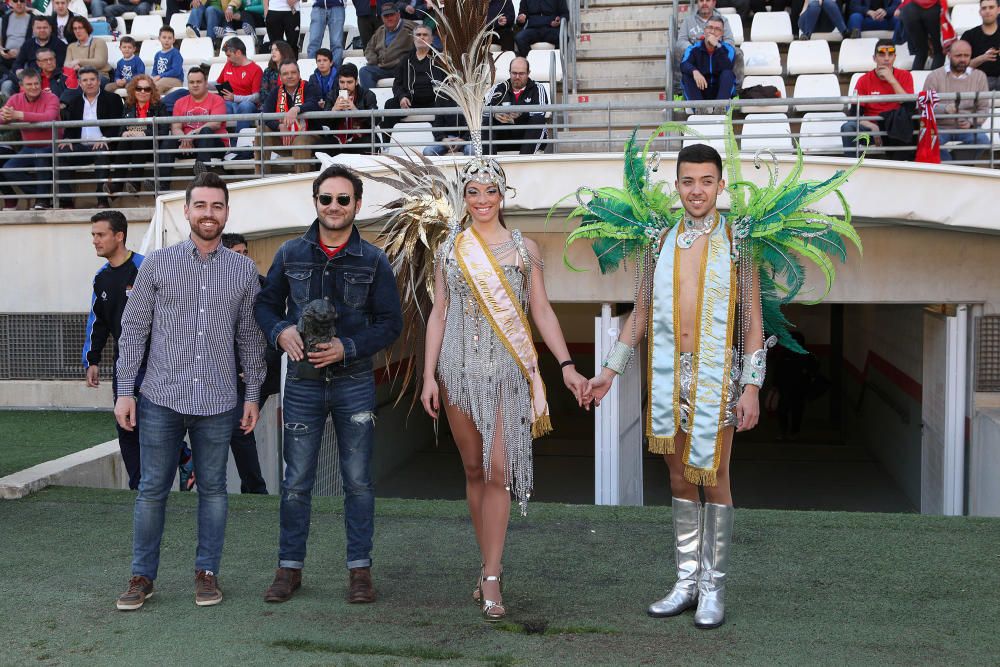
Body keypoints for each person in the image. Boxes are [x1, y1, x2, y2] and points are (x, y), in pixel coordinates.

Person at [586, 146, 763, 630]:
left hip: (718, 378)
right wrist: (610, 371)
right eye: (688, 181)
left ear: (721, 185)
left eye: (707, 181)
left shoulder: (739, 243)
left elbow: (752, 322)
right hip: (667, 376)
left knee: (714, 477)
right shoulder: (657, 241)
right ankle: (686, 581)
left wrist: (751, 386)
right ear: (678, 186)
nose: (697, 190)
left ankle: (713, 588)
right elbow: (640, 316)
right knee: (680, 479)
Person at [417, 154, 589, 620]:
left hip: (508, 374)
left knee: (498, 469)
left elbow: (542, 311)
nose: (481, 200)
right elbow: (440, 313)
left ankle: (492, 575)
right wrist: (428, 374)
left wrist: (567, 364)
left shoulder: (524, 247)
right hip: (457, 370)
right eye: (472, 192)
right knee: (474, 470)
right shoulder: (450, 250)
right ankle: (485, 563)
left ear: (502, 194)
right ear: (463, 197)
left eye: (489, 191)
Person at [113, 171, 266, 611]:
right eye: (200, 205)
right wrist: (126, 390)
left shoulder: (242, 270)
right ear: (186, 211)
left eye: (217, 206)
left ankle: (207, 571)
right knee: (152, 490)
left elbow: (249, 339)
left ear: (226, 213)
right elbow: (133, 330)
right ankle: (142, 576)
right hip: (160, 396)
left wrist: (252, 393)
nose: (208, 214)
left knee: (214, 490)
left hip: (218, 401)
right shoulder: (158, 263)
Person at [254, 164, 403, 605]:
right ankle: (289, 569)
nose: (334, 207)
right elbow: (265, 306)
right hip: (301, 384)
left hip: (354, 382)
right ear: (315, 202)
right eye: (326, 199)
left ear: (357, 205)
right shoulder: (289, 254)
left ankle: (360, 571)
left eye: (343, 199)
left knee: (357, 481)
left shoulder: (374, 260)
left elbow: (391, 324)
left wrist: (349, 347)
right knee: (296, 480)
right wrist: (281, 331)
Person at [83, 210, 146, 490]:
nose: (95, 241)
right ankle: (138, 486)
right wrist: (92, 359)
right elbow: (97, 321)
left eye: (100, 234)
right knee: (126, 426)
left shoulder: (146, 268)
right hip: (124, 366)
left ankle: (184, 458)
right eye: (93, 235)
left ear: (119, 236)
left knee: (150, 422)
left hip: (158, 362)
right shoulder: (101, 278)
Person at [220, 231, 278, 495]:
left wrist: (257, 365)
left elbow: (277, 330)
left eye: (245, 253)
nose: (244, 259)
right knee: (234, 428)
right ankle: (252, 489)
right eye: (236, 254)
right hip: (227, 373)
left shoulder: (265, 288)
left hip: (258, 373)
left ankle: (255, 489)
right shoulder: (213, 288)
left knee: (238, 426)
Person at [57, 66, 123, 207]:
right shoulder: (74, 102)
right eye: (85, 80)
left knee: (101, 153)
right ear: (80, 84)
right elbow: (71, 127)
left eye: (92, 79)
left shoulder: (113, 99)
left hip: (104, 145)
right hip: (80, 146)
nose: (89, 83)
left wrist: (105, 138)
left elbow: (117, 125)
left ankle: (102, 200)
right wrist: (68, 139)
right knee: (61, 153)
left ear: (99, 81)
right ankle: (66, 201)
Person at [841, 39, 914, 156]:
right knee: (848, 127)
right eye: (881, 54)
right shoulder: (864, 80)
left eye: (890, 54)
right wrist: (873, 127)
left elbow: (909, 105)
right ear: (874, 58)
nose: (886, 58)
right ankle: (852, 169)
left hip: (896, 126)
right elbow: (854, 114)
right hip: (871, 129)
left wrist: (892, 80)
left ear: (895, 57)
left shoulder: (905, 75)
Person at [923, 39, 991, 160]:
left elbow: (984, 108)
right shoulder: (934, 76)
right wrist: (945, 109)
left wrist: (970, 121)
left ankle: (956, 165)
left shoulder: (980, 76)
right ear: (949, 56)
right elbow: (925, 107)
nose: (963, 59)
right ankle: (953, 167)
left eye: (967, 56)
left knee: (983, 140)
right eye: (958, 55)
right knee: (929, 140)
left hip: (969, 128)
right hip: (940, 127)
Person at [0, 69, 59, 209]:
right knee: (9, 169)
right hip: (29, 146)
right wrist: (7, 116)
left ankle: (43, 200)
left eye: (36, 83)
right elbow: (3, 117)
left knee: (41, 159)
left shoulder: (52, 98)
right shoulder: (15, 98)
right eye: (29, 84)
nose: (34, 87)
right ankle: (42, 195)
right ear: (21, 86)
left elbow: (48, 117)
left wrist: (19, 115)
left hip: (51, 144)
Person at [162, 67, 228, 178]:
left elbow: (215, 124)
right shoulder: (179, 102)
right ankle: (161, 183)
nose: (195, 85)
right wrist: (184, 138)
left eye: (199, 82)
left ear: (206, 83)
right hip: (188, 146)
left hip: (213, 146)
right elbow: (176, 128)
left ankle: (201, 173)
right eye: (192, 82)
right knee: (169, 141)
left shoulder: (217, 100)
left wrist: (191, 135)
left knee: (206, 131)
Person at [381, 24, 443, 136]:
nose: (421, 37)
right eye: (418, 35)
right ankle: (387, 144)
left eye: (425, 35)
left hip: (435, 100)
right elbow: (397, 84)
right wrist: (402, 97)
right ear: (413, 38)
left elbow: (448, 83)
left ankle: (444, 139)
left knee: (448, 105)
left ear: (431, 38)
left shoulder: (440, 59)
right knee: (390, 104)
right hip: (411, 101)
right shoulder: (406, 59)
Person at [261, 59, 321, 172]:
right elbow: (266, 115)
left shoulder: (309, 87)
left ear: (299, 74)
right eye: (285, 73)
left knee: (300, 141)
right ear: (280, 77)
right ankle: (260, 177)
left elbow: (313, 104)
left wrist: (296, 109)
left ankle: (300, 181)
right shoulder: (275, 92)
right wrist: (280, 126)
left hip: (308, 135)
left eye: (293, 72)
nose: (290, 76)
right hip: (283, 138)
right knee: (261, 130)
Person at [481, 56, 549, 154]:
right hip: (503, 136)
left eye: (521, 73)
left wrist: (521, 114)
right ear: (509, 72)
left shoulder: (537, 88)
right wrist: (495, 114)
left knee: (538, 120)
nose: (517, 77)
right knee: (486, 119)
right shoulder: (499, 88)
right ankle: (490, 163)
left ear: (528, 73)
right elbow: (485, 110)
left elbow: (541, 112)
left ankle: (523, 159)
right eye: (514, 73)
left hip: (526, 135)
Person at [114, 74, 167, 194]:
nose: (142, 92)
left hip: (151, 148)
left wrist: (143, 134)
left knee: (139, 141)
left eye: (147, 89)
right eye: (139, 88)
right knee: (124, 143)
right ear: (134, 90)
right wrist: (125, 133)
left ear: (151, 91)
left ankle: (135, 183)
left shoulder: (159, 106)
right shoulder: (128, 106)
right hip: (129, 146)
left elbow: (163, 131)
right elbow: (121, 129)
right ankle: (117, 185)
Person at [679, 17, 737, 106]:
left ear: (721, 34)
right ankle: (699, 108)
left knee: (728, 73)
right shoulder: (694, 48)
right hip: (699, 92)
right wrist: (694, 71)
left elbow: (728, 66)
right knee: (687, 75)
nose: (713, 32)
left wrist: (717, 46)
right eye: (710, 27)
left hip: (720, 92)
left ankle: (720, 108)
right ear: (705, 30)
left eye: (717, 29)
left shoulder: (727, 49)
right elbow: (684, 64)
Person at [5, 16, 66, 97]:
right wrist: (18, 70)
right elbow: (18, 63)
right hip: (28, 75)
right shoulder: (28, 44)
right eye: (38, 28)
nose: (42, 30)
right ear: (33, 29)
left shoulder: (59, 45)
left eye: (45, 27)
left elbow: (58, 66)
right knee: (7, 84)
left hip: (49, 78)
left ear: (50, 28)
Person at [326, 61, 378, 153]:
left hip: (360, 137)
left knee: (369, 143)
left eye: (349, 82)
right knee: (322, 147)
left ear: (356, 81)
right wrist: (333, 111)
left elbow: (375, 121)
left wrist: (355, 111)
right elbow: (324, 122)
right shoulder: (332, 95)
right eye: (342, 82)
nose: (345, 86)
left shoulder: (368, 95)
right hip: (337, 139)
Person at [359, 4, 412, 91]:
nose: (389, 18)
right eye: (386, 16)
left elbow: (424, 42)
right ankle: (370, 101)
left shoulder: (410, 28)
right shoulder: (380, 30)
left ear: (398, 14)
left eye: (392, 15)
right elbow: (369, 48)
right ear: (382, 17)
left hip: (403, 69)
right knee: (364, 71)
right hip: (383, 68)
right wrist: (373, 60)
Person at [215, 37, 262, 133]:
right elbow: (218, 82)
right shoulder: (228, 64)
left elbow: (257, 97)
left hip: (247, 105)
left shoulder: (256, 69)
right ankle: (223, 142)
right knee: (218, 104)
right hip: (229, 103)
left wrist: (235, 98)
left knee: (245, 106)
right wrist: (203, 83)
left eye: (229, 55)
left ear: (238, 53)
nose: (227, 59)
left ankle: (240, 142)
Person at [675, 0, 736, 64]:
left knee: (737, 52)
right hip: (695, 59)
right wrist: (695, 49)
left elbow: (730, 41)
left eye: (707, 0)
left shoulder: (723, 20)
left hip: (717, 58)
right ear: (697, 3)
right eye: (701, 0)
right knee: (679, 51)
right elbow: (681, 41)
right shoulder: (688, 21)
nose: (704, 3)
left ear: (714, 2)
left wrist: (716, 47)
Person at [963, 0, 1000, 90]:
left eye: (991, 7)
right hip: (978, 82)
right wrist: (983, 58)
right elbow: (960, 67)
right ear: (980, 12)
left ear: (998, 10)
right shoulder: (969, 35)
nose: (987, 11)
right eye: (984, 8)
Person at [898, 0, 945, 70]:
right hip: (932, 7)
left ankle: (916, 80)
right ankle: (934, 80)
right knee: (938, 51)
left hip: (909, 9)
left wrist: (899, 8)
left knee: (921, 53)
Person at [1, 0, 33, 79]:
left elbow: (35, 41)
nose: (19, 3)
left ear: (25, 3)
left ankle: (9, 78)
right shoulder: (4, 19)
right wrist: (1, 51)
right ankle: (8, 77)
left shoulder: (33, 19)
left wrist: (20, 51)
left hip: (24, 56)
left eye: (21, 1)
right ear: (11, 3)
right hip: (5, 55)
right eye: (15, 1)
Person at [307, 0, 345, 66]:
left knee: (336, 43)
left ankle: (335, 71)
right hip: (318, 6)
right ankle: (312, 69)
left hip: (337, 6)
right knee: (313, 41)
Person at [150, 27, 185, 95]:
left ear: (173, 40)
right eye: (164, 37)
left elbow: (176, 71)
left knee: (158, 85)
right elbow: (155, 71)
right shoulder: (157, 54)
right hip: (161, 80)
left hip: (175, 80)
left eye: (169, 38)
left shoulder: (175, 53)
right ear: (159, 38)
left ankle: (154, 105)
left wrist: (160, 76)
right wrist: (153, 78)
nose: (167, 40)